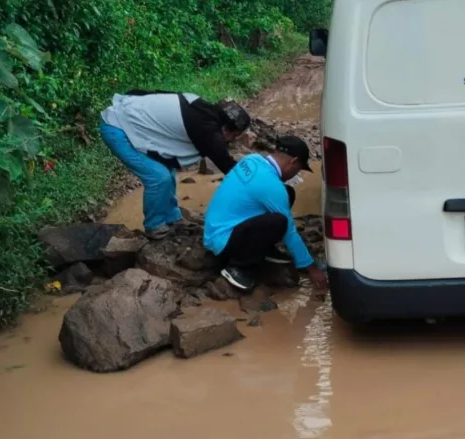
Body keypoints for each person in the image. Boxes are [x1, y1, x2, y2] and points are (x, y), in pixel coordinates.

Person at [99, 90, 251, 240]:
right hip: (117, 128)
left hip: (132, 119)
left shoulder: (201, 107)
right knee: (159, 178)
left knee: (168, 171)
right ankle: (154, 226)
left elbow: (149, 93)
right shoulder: (208, 130)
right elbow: (227, 165)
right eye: (234, 136)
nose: (231, 141)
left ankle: (172, 218)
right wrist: (254, 184)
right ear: (227, 129)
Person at [203, 135, 329, 292]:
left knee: (287, 192)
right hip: (222, 241)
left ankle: (262, 248)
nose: (295, 175)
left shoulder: (252, 159)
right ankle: (237, 267)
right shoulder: (271, 185)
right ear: (293, 162)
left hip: (216, 227)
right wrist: (311, 268)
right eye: (298, 170)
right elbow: (290, 231)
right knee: (280, 221)